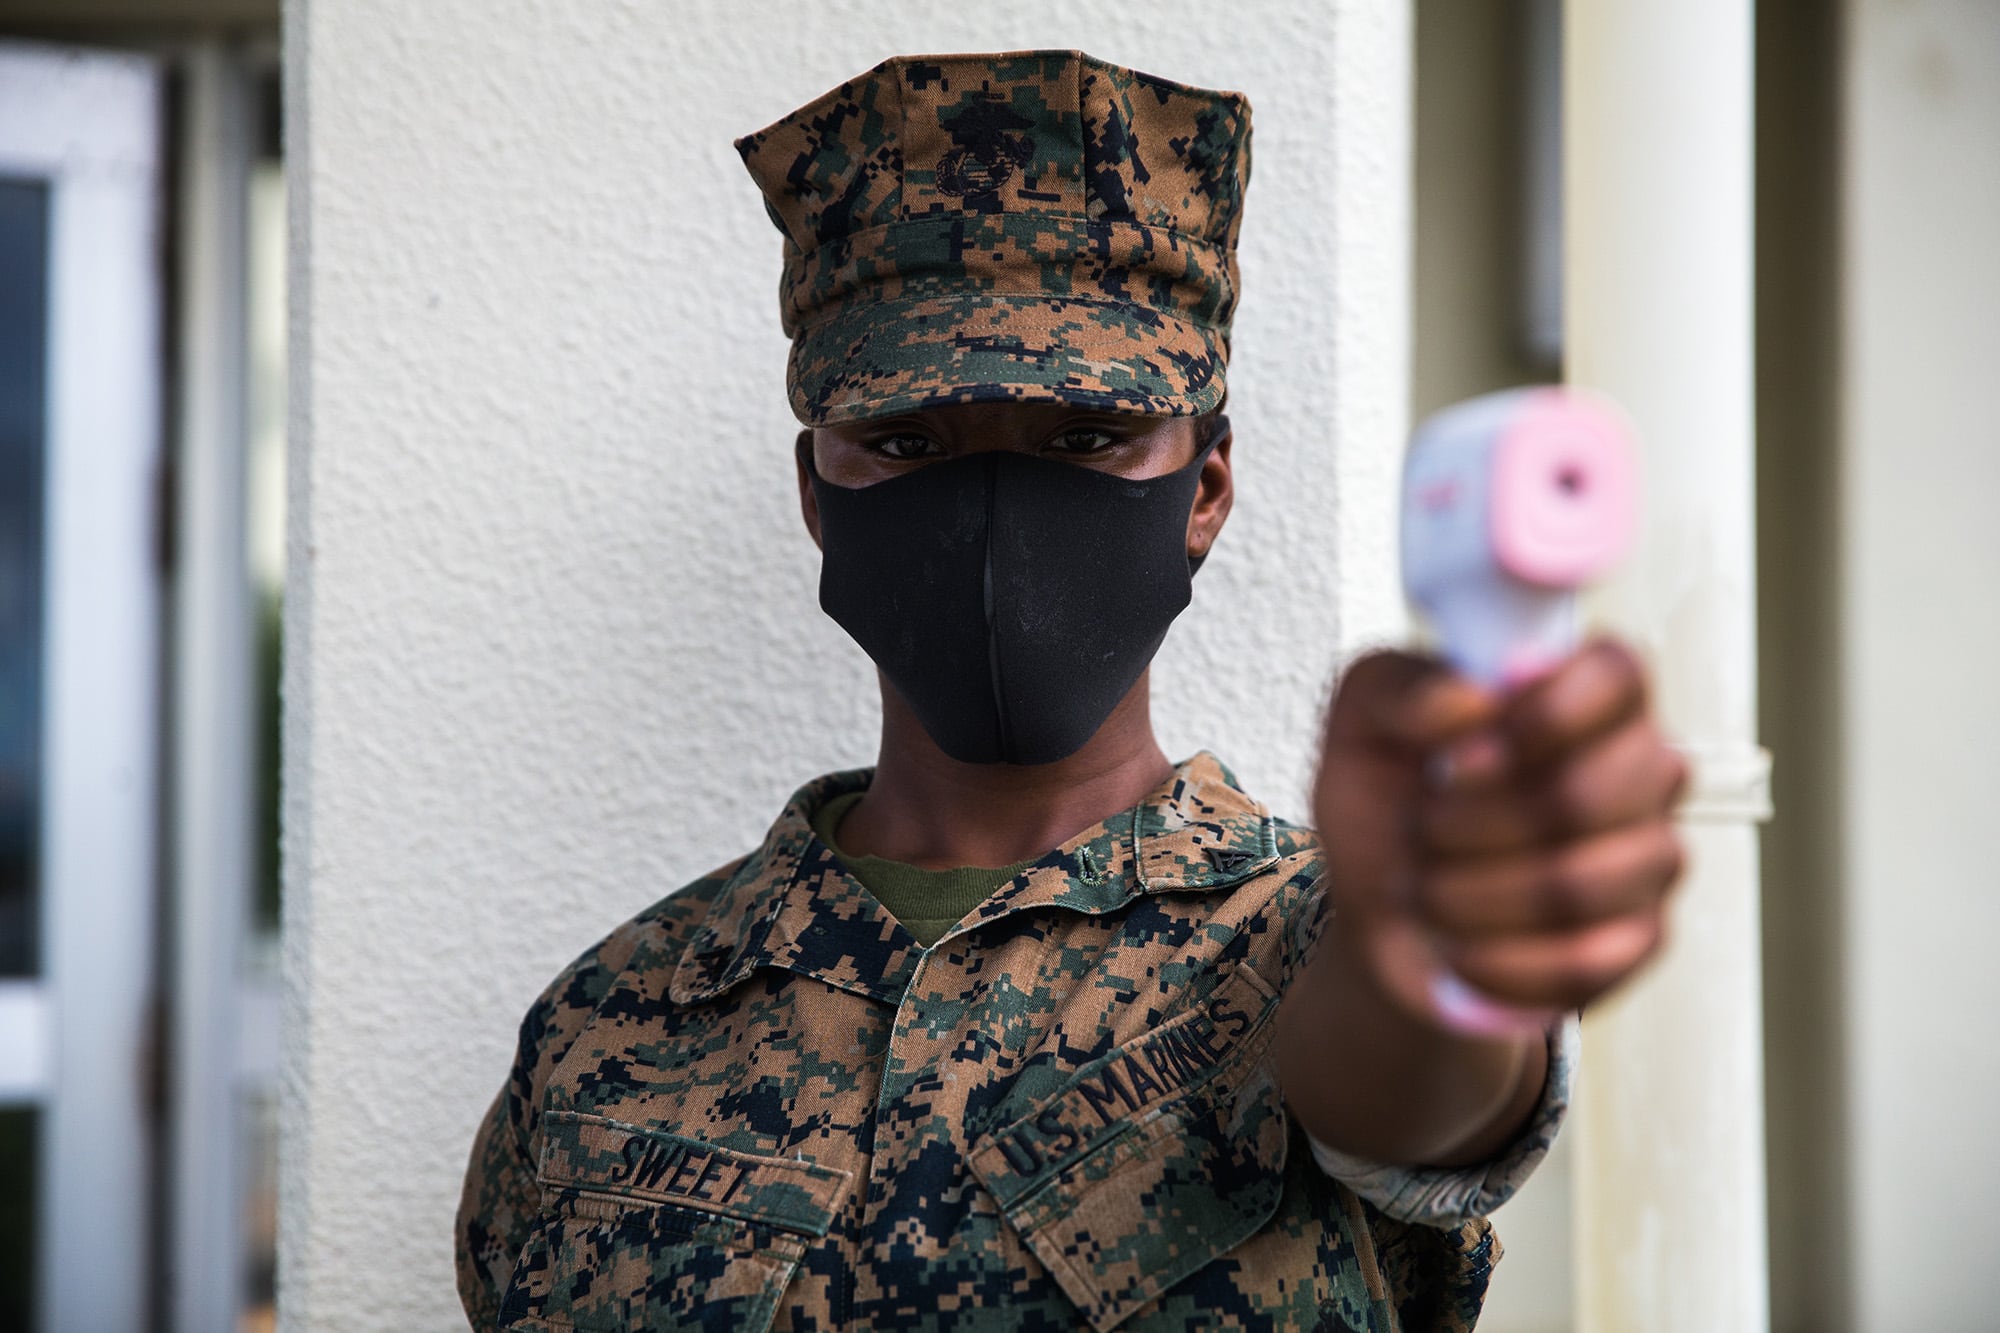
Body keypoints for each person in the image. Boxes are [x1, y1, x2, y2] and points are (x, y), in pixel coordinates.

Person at [455, 49, 1685, 1332]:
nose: (993, 512)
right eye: (907, 442)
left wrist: (1439, 946)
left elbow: (1409, 1078)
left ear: (1202, 487)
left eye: (1085, 438)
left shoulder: (1308, 938)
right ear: (817, 493)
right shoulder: (612, 1023)